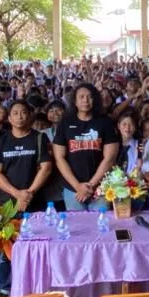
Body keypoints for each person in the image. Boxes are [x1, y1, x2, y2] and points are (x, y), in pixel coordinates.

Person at [0, 101, 52, 294]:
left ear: (30, 115)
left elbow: (46, 167)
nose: (20, 117)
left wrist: (29, 193)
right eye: (15, 113)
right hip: (9, 204)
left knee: (36, 246)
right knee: (7, 248)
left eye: (24, 112)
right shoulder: (0, 141)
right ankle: (5, 288)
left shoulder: (39, 138)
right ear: (9, 118)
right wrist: (17, 194)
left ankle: (35, 287)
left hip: (36, 201)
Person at [51, 83, 118, 212]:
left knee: (101, 225)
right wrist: (78, 186)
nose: (85, 100)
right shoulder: (65, 123)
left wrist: (91, 185)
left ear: (95, 100)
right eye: (81, 97)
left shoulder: (105, 122)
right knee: (77, 228)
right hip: (72, 188)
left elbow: (110, 158)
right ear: (75, 101)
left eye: (89, 97)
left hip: (101, 187)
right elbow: (59, 158)